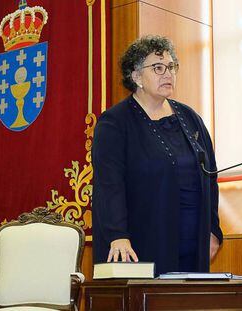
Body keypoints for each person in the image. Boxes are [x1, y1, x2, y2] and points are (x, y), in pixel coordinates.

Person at [92, 35, 222, 275]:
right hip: (140, 244)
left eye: (172, 67)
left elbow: (210, 176)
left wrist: (213, 230)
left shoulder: (190, 118)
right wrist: (117, 235)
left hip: (194, 242)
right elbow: (108, 185)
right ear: (137, 77)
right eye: (158, 67)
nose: (168, 74)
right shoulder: (114, 123)